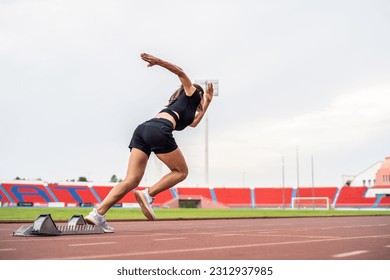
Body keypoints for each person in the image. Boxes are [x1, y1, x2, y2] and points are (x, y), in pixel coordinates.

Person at [85, 53, 214, 232]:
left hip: (142, 130)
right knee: (181, 171)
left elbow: (194, 123)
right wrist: (158, 61)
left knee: (131, 180)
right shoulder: (191, 93)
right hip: (159, 130)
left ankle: (97, 214)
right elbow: (181, 72)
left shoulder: (186, 112)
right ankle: (148, 194)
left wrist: (208, 102)